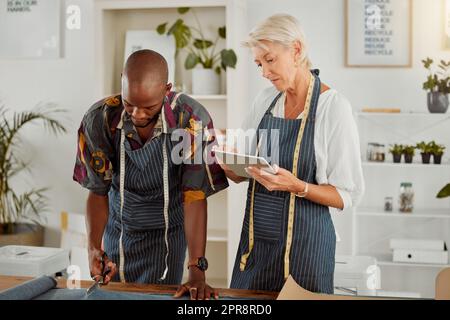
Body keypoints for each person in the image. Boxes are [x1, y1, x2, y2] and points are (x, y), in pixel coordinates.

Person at [221, 14, 364, 293]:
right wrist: (227, 161)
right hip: (257, 247)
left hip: (306, 253)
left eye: (270, 60)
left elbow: (347, 195)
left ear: (296, 51)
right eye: (259, 64)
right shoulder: (264, 101)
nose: (264, 72)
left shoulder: (333, 108)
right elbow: (243, 172)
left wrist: (297, 187)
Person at [73, 49, 228, 300]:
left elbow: (195, 196)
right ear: (122, 79)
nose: (137, 114)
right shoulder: (99, 119)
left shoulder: (191, 120)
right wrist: (93, 248)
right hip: (119, 231)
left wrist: (196, 269)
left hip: (168, 236)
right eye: (129, 103)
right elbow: (97, 191)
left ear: (167, 90)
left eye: (148, 107)